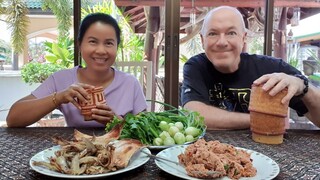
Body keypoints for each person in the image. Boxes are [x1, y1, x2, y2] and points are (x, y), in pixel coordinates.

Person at [181, 6, 320, 130]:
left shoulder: (273, 68)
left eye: (231, 33)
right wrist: (261, 120)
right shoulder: (196, 66)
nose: (222, 42)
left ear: (243, 38)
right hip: (212, 153)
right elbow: (195, 114)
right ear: (202, 40)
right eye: (213, 33)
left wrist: (303, 87)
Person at [6, 13, 147, 127]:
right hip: (76, 154)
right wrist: (59, 98)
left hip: (121, 155)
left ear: (117, 47)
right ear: (80, 45)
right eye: (93, 41)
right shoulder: (62, 79)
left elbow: (148, 132)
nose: (101, 50)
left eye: (109, 43)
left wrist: (117, 123)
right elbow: (13, 118)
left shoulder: (130, 83)